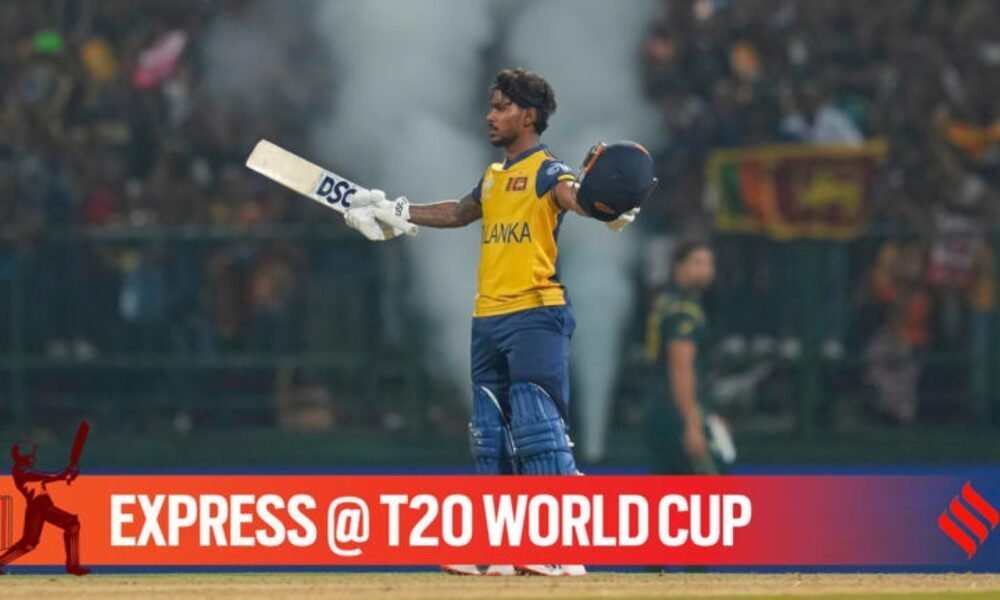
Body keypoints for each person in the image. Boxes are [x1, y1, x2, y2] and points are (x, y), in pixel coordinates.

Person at [343, 68, 651, 577]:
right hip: (487, 316)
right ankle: (501, 549)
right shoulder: (493, 177)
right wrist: (396, 210)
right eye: (491, 106)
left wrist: (605, 209)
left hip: (535, 313)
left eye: (501, 107)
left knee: (538, 430)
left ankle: (560, 549)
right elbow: (460, 212)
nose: (490, 115)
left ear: (528, 116)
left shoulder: (549, 172)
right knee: (491, 437)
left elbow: (574, 196)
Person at [643, 241, 733, 475]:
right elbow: (681, 368)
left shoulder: (665, 301)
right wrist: (692, 424)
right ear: (679, 267)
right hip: (679, 411)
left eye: (709, 264)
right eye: (697, 263)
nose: (706, 271)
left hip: (661, 408)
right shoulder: (684, 311)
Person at [0, 442, 90, 576]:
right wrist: (63, 474)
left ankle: (73, 566)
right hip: (38, 507)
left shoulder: (25, 469)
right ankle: (73, 566)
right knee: (69, 525)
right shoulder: (20, 470)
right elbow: (42, 476)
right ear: (24, 455)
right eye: (31, 454)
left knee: (30, 543)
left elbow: (46, 477)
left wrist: (66, 474)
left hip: (42, 506)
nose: (33, 456)